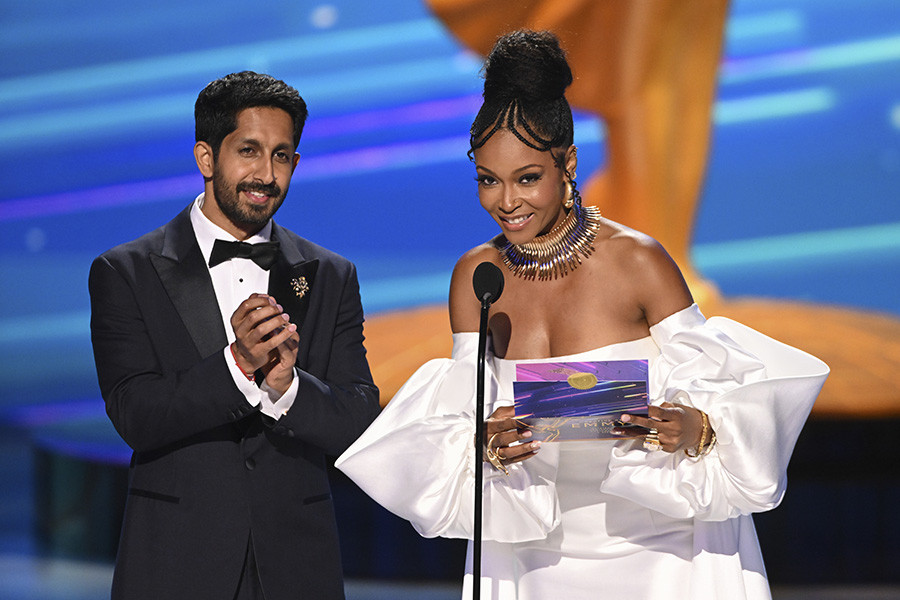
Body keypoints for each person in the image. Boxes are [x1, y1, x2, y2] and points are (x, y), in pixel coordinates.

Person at [335, 31, 828, 599]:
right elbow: (459, 417)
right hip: (532, 554)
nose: (507, 201)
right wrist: (485, 441)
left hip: (663, 551)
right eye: (488, 180)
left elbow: (719, 387)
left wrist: (698, 427)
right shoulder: (477, 278)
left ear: (566, 163)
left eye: (527, 178)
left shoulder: (636, 261)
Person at [89, 71, 381, 600]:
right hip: (176, 564)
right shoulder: (124, 271)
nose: (267, 174)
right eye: (249, 150)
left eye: (283, 155)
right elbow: (135, 414)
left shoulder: (331, 274)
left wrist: (289, 389)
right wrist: (238, 367)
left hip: (297, 566)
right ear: (206, 157)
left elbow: (357, 413)